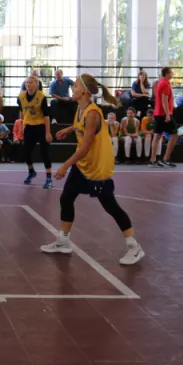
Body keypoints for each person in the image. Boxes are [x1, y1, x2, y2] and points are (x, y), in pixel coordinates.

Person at [44, 74, 145, 266]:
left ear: (84, 91)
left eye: (75, 86)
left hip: (97, 166)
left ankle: (134, 246)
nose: (72, 88)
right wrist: (70, 129)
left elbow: (84, 148)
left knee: (110, 206)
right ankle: (63, 242)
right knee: (66, 198)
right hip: (83, 165)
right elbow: (81, 127)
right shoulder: (81, 108)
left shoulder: (92, 113)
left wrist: (65, 165)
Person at [18, 74, 53, 188]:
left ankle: (48, 177)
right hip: (29, 126)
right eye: (27, 82)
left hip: (41, 125)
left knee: (44, 152)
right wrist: (22, 126)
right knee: (26, 152)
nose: (28, 84)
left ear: (36, 84)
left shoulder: (42, 97)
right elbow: (22, 112)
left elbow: (46, 116)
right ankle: (31, 171)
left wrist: (48, 133)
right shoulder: (21, 97)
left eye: (31, 82)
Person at [150, 66, 178, 168]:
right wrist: (167, 114)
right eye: (171, 72)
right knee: (174, 135)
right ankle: (165, 159)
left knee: (157, 136)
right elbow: (164, 100)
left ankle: (153, 160)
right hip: (163, 114)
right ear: (167, 74)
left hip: (159, 113)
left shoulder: (162, 82)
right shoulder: (165, 83)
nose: (172, 74)